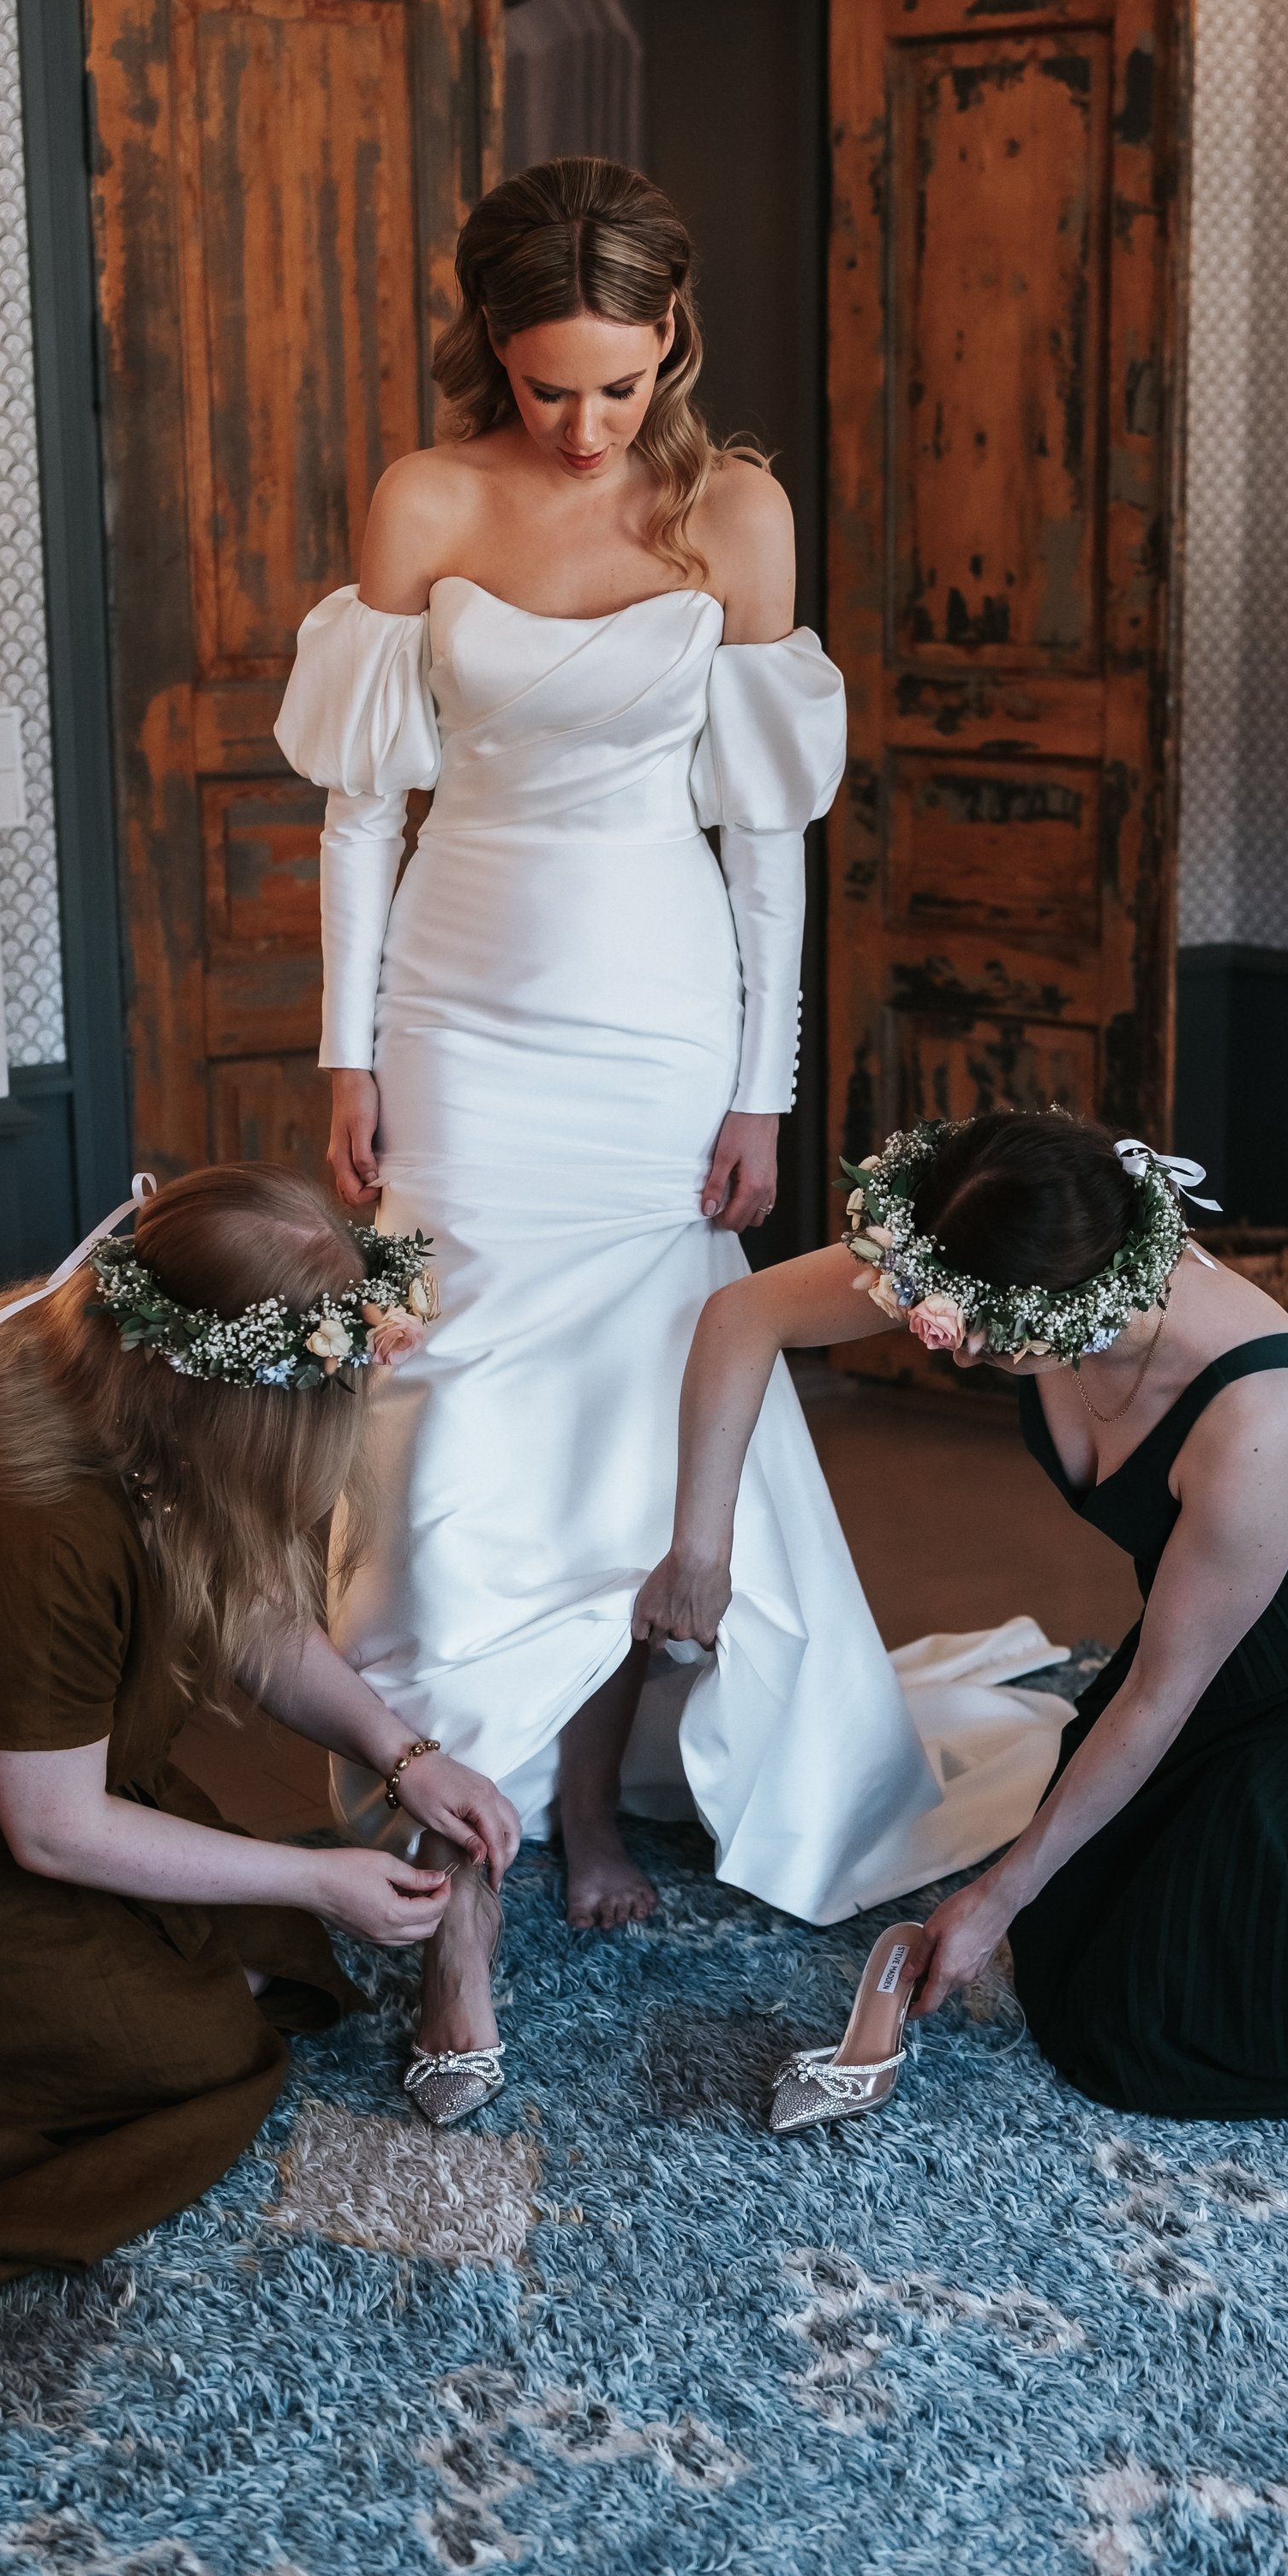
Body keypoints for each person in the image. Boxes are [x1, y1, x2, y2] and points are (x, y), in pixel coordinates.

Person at [275, 159, 1060, 2120]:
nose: (583, 424)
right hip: (461, 1006)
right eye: (548, 386)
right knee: (444, 1420)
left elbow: (764, 834)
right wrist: (345, 1054)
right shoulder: (424, 498)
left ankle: (592, 1800)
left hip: (654, 1012)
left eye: (619, 386)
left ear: (671, 345)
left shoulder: (738, 513)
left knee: (642, 1418)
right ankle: (459, 1901)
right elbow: (362, 810)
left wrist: (758, 1086)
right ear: (492, 348)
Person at [635, 1111, 1288, 2125]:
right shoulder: (999, 1228)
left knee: (1172, 2026)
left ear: (1070, 1303)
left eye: (981, 1332)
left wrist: (996, 1894)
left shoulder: (1258, 1413)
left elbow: (1155, 1698)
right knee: (1075, 1951)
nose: (951, 1347)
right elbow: (743, 1316)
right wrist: (701, 1552)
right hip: (1218, 1644)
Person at [0, 1165, 519, 2285]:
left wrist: (403, 1755)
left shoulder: (110, 1354)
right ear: (222, 1398)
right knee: (197, 2047)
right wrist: (319, 1878)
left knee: (250, 1958)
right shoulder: (28, 1513)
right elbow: (55, 1830)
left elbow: (254, 1610)